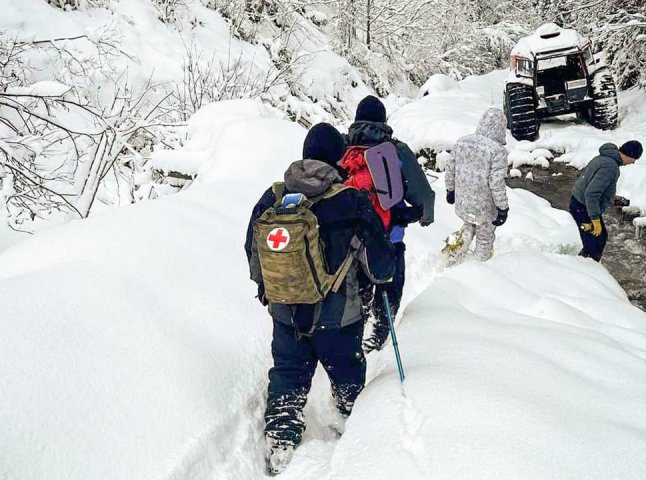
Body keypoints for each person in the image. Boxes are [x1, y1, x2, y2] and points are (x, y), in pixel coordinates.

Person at [244, 123, 394, 475]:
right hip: (339, 316)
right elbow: (380, 265)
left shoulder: (274, 196)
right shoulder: (351, 199)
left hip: (285, 311)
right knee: (347, 374)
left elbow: (253, 251)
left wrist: (270, 293)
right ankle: (351, 426)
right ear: (338, 156)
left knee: (288, 374)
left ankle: (281, 442)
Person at [344, 95, 435, 353]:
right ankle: (380, 333)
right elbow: (423, 195)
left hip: (351, 239)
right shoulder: (395, 150)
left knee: (358, 285)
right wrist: (424, 216)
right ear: (384, 121)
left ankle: (356, 326)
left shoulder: (344, 148)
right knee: (390, 285)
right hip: (389, 236)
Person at [445, 107, 509, 262]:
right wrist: (502, 207)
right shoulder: (497, 151)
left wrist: (450, 189)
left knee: (468, 225)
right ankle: (478, 266)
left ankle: (451, 252)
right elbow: (496, 183)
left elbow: (450, 167)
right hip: (485, 206)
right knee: (485, 236)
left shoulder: (462, 142)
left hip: (464, 200)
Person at [570, 140, 642, 262]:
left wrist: (611, 198)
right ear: (628, 155)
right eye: (634, 159)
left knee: (598, 239)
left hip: (579, 202)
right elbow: (591, 193)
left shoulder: (605, 157)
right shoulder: (610, 167)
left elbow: (592, 184)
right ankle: (584, 270)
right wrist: (595, 219)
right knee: (595, 243)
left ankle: (583, 265)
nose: (633, 162)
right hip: (583, 206)